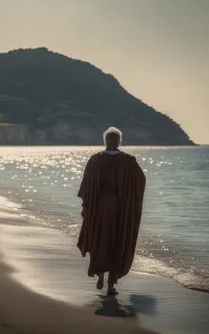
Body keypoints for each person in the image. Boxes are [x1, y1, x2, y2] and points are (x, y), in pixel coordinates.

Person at [76, 127, 146, 296]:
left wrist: (87, 206)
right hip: (119, 208)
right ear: (119, 142)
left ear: (105, 141)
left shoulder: (95, 160)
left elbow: (87, 186)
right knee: (117, 241)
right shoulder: (129, 161)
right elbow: (140, 180)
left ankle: (100, 273)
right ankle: (111, 286)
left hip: (100, 207)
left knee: (99, 238)